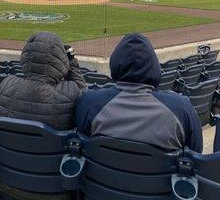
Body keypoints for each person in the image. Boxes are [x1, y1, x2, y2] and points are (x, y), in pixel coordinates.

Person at [75, 33, 203, 152]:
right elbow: (195, 155)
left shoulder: (89, 103)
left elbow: (80, 147)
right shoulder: (181, 108)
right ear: (154, 66)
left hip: (100, 176)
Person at [0, 32, 87, 130]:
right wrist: (71, 63)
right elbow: (86, 98)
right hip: (53, 145)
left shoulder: (7, 85)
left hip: (7, 144)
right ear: (60, 61)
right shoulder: (69, 92)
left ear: (26, 55)